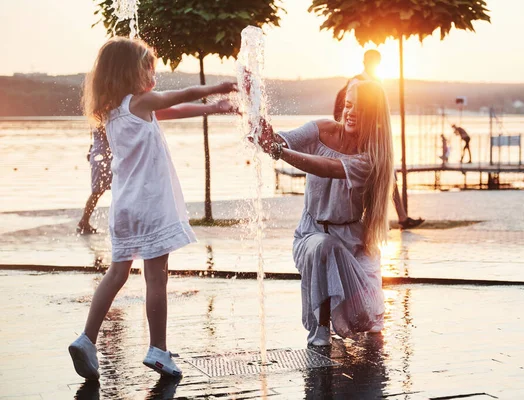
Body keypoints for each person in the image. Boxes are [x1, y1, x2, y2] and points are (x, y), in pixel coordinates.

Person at [68, 37, 237, 380]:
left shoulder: (115, 110)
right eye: (148, 67)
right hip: (150, 205)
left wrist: (213, 108)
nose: (153, 73)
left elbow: (172, 110)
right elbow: (180, 96)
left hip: (125, 206)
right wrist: (218, 88)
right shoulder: (141, 101)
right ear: (131, 71)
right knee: (156, 277)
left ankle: (86, 339)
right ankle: (158, 350)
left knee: (116, 274)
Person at [255, 80, 392, 346]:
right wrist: (261, 127)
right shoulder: (320, 129)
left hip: (352, 243)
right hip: (311, 234)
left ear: (374, 115)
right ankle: (319, 329)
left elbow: (328, 167)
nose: (351, 112)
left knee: (369, 320)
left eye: (360, 108)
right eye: (349, 105)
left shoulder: (370, 158)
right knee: (323, 246)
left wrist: (280, 152)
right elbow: (280, 140)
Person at [334, 50, 423, 230]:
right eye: (374, 61)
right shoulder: (357, 82)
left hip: (374, 138)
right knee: (381, 175)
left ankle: (400, 217)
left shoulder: (376, 82)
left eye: (377, 62)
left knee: (389, 173)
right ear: (366, 62)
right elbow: (347, 112)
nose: (375, 65)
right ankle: (382, 219)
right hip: (360, 140)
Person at [77, 126, 112, 234]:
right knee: (97, 191)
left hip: (104, 154)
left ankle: (84, 221)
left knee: (100, 191)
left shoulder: (97, 114)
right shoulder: (100, 116)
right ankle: (84, 221)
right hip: (102, 155)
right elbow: (109, 134)